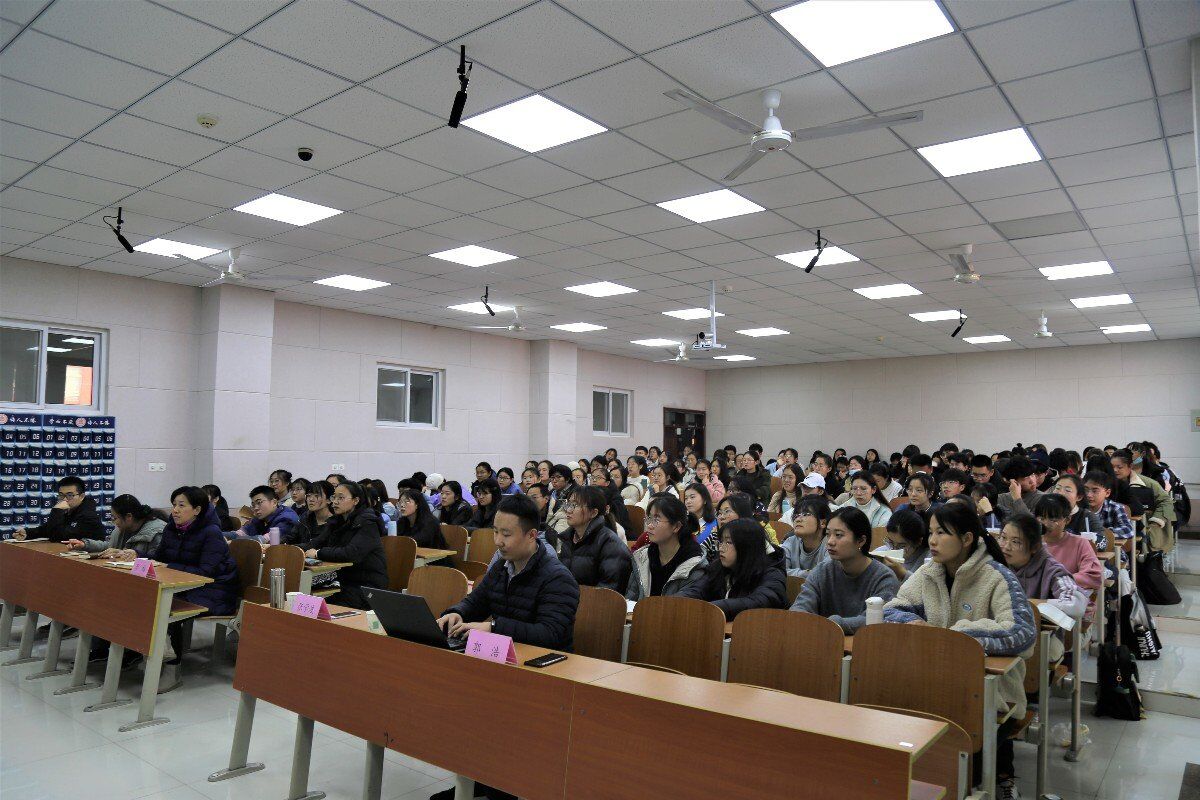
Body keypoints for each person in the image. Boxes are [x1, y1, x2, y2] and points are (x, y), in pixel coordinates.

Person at [884, 504, 1035, 799]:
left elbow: (1022, 632)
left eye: (942, 533)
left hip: (988, 690)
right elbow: (893, 609)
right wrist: (912, 622)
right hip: (933, 680)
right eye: (931, 532)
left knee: (963, 760)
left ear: (966, 539)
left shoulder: (997, 576)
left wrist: (956, 637)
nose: (932, 540)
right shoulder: (929, 571)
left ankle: (999, 779)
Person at [154, 486, 241, 662]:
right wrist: (134, 554)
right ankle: (142, 653)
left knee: (164, 605)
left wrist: (169, 566)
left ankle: (170, 661)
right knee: (144, 597)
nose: (175, 510)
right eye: (174, 505)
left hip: (215, 590)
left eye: (181, 505)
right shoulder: (172, 529)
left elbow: (205, 573)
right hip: (185, 585)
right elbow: (158, 559)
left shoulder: (211, 532)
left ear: (197, 510)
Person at [790, 507, 900, 633]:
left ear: (861, 541)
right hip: (823, 639)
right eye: (828, 534)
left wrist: (832, 623)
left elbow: (876, 620)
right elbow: (800, 607)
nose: (830, 542)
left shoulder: (884, 577)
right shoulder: (823, 570)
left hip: (866, 643)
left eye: (838, 535)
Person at [999, 513, 1086, 660]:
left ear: (1034, 547)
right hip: (1004, 628)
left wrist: (1033, 604)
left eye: (1015, 542)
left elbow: (1076, 604)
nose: (1006, 546)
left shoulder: (1052, 569)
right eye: (1003, 538)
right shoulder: (998, 564)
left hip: (1043, 634)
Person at [678, 518, 787, 620]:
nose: (721, 548)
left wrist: (709, 608)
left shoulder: (772, 573)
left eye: (728, 542)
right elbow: (697, 591)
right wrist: (675, 602)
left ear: (747, 546)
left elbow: (760, 601)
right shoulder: (719, 567)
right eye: (721, 542)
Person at [304, 481, 387, 610]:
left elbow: (351, 553)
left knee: (317, 606)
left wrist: (318, 553)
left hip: (367, 587)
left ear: (356, 500)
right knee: (304, 595)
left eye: (341, 498)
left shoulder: (367, 523)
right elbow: (315, 543)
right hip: (342, 582)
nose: (335, 502)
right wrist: (288, 548)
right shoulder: (336, 521)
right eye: (334, 497)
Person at [626, 495, 706, 601]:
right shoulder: (642, 557)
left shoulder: (694, 565)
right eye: (649, 518)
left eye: (656, 520)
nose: (649, 525)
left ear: (676, 526)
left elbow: (681, 606)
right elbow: (631, 599)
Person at [1035, 494, 1103, 616]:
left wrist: (1055, 582)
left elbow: (1092, 576)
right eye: (1041, 518)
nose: (1046, 523)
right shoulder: (1031, 544)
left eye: (1053, 519)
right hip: (1036, 605)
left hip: (1067, 608)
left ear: (1067, 520)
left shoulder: (1080, 543)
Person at [557, 486, 632, 593]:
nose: (568, 510)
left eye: (575, 505)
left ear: (593, 513)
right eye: (568, 504)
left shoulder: (611, 544)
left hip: (594, 601)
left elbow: (609, 590)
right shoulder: (568, 538)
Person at [65, 493, 164, 558]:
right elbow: (109, 547)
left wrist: (124, 554)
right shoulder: (123, 529)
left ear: (129, 516)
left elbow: (157, 560)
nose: (113, 522)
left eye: (115, 518)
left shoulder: (157, 532)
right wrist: (84, 544)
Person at [1113, 448, 1175, 552]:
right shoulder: (1107, 484)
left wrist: (1155, 521)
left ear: (1130, 466)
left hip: (1145, 528)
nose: (1115, 470)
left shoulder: (1148, 483)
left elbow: (1166, 501)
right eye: (1112, 467)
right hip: (1118, 530)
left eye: (1119, 467)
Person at [13, 475, 106, 542]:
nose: (64, 499)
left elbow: (57, 536)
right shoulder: (71, 510)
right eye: (61, 495)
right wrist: (27, 533)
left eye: (70, 495)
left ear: (81, 496)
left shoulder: (89, 516)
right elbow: (49, 529)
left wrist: (56, 510)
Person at [780, 495, 831, 578]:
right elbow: (778, 571)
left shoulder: (831, 544)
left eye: (806, 514)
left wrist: (794, 574)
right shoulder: (790, 541)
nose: (798, 519)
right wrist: (808, 573)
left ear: (823, 523)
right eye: (796, 515)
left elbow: (827, 575)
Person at [232, 484, 300, 544]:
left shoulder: (286, 519)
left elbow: (265, 540)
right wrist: (228, 536)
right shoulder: (260, 517)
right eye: (253, 505)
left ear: (274, 502)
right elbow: (241, 533)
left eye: (259, 503)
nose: (256, 508)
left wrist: (234, 540)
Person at [883, 508, 929, 580]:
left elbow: (927, 586)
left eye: (902, 546)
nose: (894, 550)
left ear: (919, 541)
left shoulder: (929, 559)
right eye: (890, 542)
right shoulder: (882, 551)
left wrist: (903, 574)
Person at [289, 480, 334, 548]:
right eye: (308, 496)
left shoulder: (335, 522)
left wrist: (293, 547)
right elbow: (291, 537)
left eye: (316, 496)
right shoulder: (306, 517)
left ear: (329, 500)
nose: (311, 499)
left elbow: (315, 544)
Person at [683, 483, 719, 552]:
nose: (688, 501)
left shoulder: (716, 525)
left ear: (704, 499)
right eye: (686, 498)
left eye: (692, 497)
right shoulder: (683, 523)